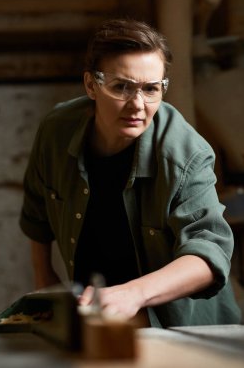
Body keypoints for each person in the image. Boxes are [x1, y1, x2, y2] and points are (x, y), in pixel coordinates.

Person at [20, 18, 241, 327]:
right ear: (91, 85)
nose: (137, 105)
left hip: (180, 326)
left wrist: (132, 294)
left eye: (151, 89)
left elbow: (210, 251)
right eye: (122, 87)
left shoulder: (186, 153)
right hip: (95, 317)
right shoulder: (56, 131)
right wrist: (45, 277)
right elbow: (36, 211)